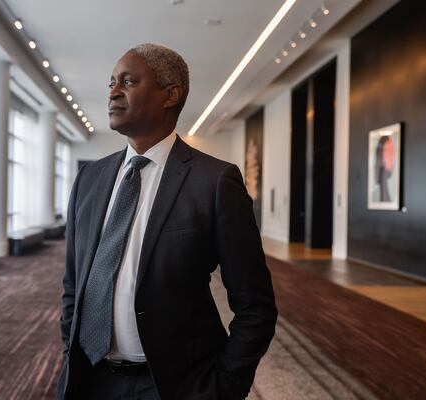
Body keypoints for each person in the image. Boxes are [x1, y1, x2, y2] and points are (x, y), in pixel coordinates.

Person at [56, 43, 277, 400]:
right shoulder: (89, 180)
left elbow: (256, 306)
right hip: (91, 380)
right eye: (112, 82)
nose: (113, 92)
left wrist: (224, 387)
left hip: (174, 385)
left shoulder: (214, 182)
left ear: (170, 95)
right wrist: (70, 348)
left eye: (128, 82)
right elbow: (73, 284)